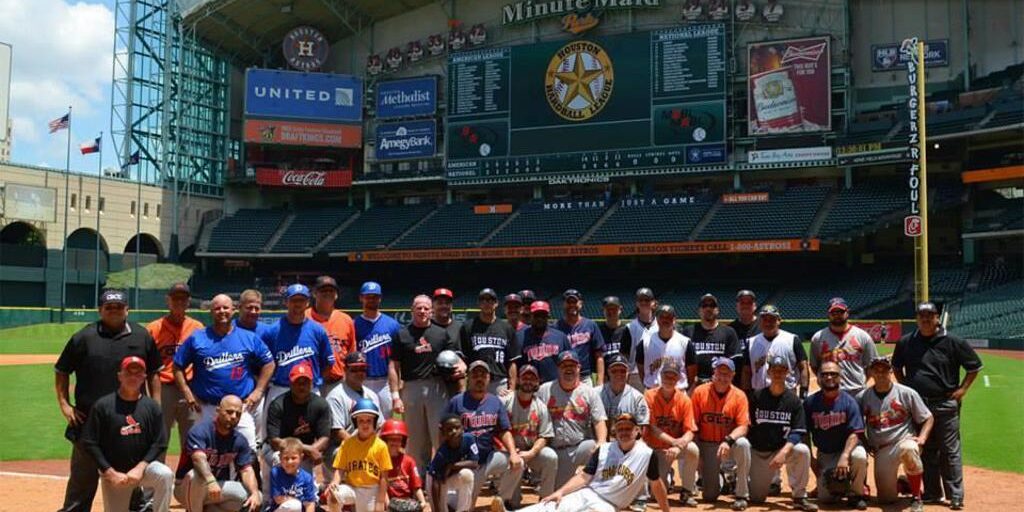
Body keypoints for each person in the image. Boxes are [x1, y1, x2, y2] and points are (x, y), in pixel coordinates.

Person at [54, 288, 162, 512]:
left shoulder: (141, 336)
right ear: (100, 310)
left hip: (130, 421)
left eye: (119, 307)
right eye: (109, 307)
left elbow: (153, 372)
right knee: (82, 483)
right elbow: (62, 370)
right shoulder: (84, 337)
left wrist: (155, 405)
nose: (114, 310)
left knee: (130, 480)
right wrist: (64, 404)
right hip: (88, 421)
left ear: (127, 310)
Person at [893, 302, 982, 510]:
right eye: (921, 315)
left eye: (930, 315)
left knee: (949, 450)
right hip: (919, 406)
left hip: (944, 403)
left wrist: (962, 390)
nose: (925, 319)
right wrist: (906, 388)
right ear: (916, 318)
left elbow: (974, 367)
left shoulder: (953, 341)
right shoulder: (906, 342)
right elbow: (897, 367)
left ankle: (956, 495)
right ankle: (932, 493)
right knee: (927, 450)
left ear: (937, 318)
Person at [491, 413, 673, 512]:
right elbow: (584, 477)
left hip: (610, 505)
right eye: (620, 429)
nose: (624, 432)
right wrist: (560, 492)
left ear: (637, 431)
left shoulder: (646, 454)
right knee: (551, 505)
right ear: (615, 432)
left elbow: (656, 485)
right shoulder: (604, 449)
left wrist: (666, 511)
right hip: (588, 492)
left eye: (628, 428)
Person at [173, 294, 275, 450]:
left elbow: (269, 363)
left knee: (249, 452)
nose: (222, 311)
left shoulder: (248, 337)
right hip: (207, 408)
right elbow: (177, 366)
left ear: (233, 310)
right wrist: (187, 392)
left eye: (225, 308)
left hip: (239, 409)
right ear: (211, 312)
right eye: (217, 308)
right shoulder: (197, 338)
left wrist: (259, 390)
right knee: (203, 452)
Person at [81, 356, 173, 512]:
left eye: (138, 374)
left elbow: (160, 442)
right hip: (115, 473)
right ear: (120, 376)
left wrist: (140, 467)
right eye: (129, 373)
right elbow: (90, 442)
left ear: (144, 378)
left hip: (144, 470)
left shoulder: (152, 407)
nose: (133, 377)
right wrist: (109, 472)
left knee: (165, 475)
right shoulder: (103, 406)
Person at [390, 295, 462, 471]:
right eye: (419, 308)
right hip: (411, 386)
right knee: (414, 440)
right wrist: (395, 396)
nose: (422, 311)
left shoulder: (440, 333)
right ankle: (417, 479)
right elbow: (393, 366)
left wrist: (462, 366)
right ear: (412, 310)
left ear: (431, 311)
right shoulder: (402, 334)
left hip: (436, 387)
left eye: (426, 308)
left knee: (440, 434)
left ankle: (442, 474)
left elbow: (455, 357)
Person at [858, 356, 934, 512]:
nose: (880, 374)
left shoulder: (906, 393)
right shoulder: (864, 397)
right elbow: (857, 425)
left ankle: (916, 498)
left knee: (909, 449)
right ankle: (903, 484)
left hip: (904, 441)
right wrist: (865, 443)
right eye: (876, 370)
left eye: (884, 370)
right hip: (882, 449)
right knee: (886, 500)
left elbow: (928, 418)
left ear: (891, 371)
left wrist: (922, 438)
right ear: (871, 372)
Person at [445, 360, 523, 504]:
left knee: (519, 463)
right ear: (468, 378)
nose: (479, 379)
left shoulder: (495, 402)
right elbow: (443, 431)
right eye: (475, 375)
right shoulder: (456, 402)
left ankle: (501, 500)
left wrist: (513, 452)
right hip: (465, 464)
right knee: (462, 507)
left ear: (488, 379)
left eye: (483, 375)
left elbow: (504, 430)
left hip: (488, 459)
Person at [746, 356, 816, 510]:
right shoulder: (757, 396)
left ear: (787, 373)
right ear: (768, 372)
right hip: (761, 451)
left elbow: (798, 432)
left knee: (802, 450)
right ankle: (745, 482)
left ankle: (799, 496)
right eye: (774, 370)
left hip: (783, 449)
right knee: (757, 498)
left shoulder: (793, 401)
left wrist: (783, 452)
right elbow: (748, 426)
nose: (777, 374)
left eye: (781, 370)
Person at [174, 395, 263, 512]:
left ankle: (209, 509)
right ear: (218, 411)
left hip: (216, 488)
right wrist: (210, 480)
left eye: (238, 414)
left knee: (256, 497)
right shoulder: (200, 431)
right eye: (229, 412)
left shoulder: (239, 440)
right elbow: (198, 459)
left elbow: (246, 470)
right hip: (186, 488)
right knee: (194, 476)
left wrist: (254, 493)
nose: (233, 416)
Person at [538, 350, 608, 489]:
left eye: (572, 365)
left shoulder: (589, 392)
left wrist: (601, 441)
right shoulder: (545, 390)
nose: (568, 369)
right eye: (564, 366)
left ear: (579, 368)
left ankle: (596, 489)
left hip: (578, 448)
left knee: (595, 447)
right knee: (554, 493)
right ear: (558, 368)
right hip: (553, 449)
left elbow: (599, 420)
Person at [147, 282, 203, 454]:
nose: (179, 302)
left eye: (183, 299)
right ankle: (157, 472)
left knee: (192, 440)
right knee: (159, 439)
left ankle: (188, 472)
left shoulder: (197, 328)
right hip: (164, 388)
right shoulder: (154, 328)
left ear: (188, 302)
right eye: (175, 298)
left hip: (190, 389)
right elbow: (147, 365)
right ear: (168, 301)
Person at [804, 361, 869, 509]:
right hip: (826, 453)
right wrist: (811, 459)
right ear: (819, 377)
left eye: (833, 374)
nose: (829, 377)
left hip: (849, 450)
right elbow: (804, 433)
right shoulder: (810, 403)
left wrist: (845, 456)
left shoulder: (850, 402)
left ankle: (856, 494)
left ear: (840, 377)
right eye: (825, 374)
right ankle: (839, 488)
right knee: (827, 499)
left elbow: (855, 433)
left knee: (860, 456)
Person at [691, 357, 751, 510]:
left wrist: (728, 440)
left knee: (743, 444)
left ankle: (741, 494)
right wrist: (698, 455)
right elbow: (693, 426)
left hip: (729, 445)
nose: (723, 378)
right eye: (720, 373)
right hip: (708, 445)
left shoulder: (739, 396)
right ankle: (724, 478)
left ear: (733, 376)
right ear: (714, 373)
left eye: (727, 374)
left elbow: (743, 427)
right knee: (710, 496)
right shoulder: (700, 392)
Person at [262, 284, 335, 408]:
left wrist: (315, 379)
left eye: (301, 300)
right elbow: (263, 363)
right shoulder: (272, 331)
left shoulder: (318, 330)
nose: (298, 304)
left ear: (307, 303)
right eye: (294, 300)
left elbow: (328, 363)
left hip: (310, 389)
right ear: (286, 302)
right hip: (280, 388)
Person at [500, 364, 558, 508]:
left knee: (551, 457)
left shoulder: (541, 406)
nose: (528, 381)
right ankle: (507, 501)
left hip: (531, 451)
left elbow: (545, 436)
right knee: (512, 504)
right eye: (525, 378)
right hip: (509, 452)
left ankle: (545, 500)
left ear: (537, 382)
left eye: (532, 379)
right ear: (518, 380)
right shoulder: (505, 401)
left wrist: (532, 452)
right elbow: (496, 431)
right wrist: (511, 452)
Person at [264, 363, 331, 487]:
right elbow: (275, 441)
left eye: (305, 382)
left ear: (311, 383)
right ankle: (277, 494)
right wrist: (306, 449)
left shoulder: (320, 404)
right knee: (282, 461)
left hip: (305, 454)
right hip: (279, 451)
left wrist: (312, 450)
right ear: (290, 384)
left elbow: (325, 437)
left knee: (305, 489)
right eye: (298, 382)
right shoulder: (278, 404)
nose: (302, 386)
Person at [643, 360, 699, 506]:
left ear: (678, 379)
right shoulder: (649, 396)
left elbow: (690, 431)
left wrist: (678, 446)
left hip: (674, 449)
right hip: (655, 450)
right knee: (656, 496)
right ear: (660, 376)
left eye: (673, 377)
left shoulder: (684, 400)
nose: (669, 380)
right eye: (666, 376)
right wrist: (674, 442)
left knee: (693, 449)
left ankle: (686, 491)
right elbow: (652, 428)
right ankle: (667, 476)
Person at [326, 351, 384, 479]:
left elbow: (380, 426)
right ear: (345, 370)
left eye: (362, 369)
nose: (359, 373)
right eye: (355, 369)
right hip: (342, 447)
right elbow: (337, 432)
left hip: (368, 444)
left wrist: (373, 446)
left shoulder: (372, 395)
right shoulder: (336, 396)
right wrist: (360, 448)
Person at [329, 398, 392, 512]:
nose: (365, 424)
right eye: (361, 421)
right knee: (334, 495)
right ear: (355, 423)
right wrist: (335, 482)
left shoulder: (381, 446)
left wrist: (380, 501)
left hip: (371, 489)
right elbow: (340, 469)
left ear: (374, 422)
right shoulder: (347, 444)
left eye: (369, 421)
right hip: (352, 488)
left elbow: (384, 477)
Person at [809, 298, 878, 396]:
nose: (837, 315)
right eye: (833, 313)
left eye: (840, 312)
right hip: (829, 391)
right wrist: (826, 382)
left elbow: (872, 365)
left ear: (847, 312)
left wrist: (860, 381)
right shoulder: (818, 338)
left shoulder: (862, 336)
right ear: (828, 315)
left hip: (857, 391)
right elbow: (815, 366)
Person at [461, 288, 521, 396]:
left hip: (499, 383)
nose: (486, 303)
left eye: (490, 300)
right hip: (476, 380)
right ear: (479, 303)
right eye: (483, 300)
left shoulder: (506, 328)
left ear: (496, 303)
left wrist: (512, 389)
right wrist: (465, 386)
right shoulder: (468, 327)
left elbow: (512, 362)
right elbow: (464, 360)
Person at [355, 281, 401, 419]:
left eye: (375, 296)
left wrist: (399, 380)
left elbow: (399, 356)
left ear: (380, 298)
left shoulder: (392, 325)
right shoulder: (354, 324)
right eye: (368, 296)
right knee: (364, 418)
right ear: (361, 298)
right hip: (363, 380)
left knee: (386, 421)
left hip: (385, 382)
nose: (371, 300)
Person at [741, 305, 809, 395]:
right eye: (765, 319)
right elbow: (746, 371)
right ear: (760, 322)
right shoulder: (751, 342)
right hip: (759, 395)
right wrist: (746, 394)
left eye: (772, 319)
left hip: (787, 394)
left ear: (778, 321)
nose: (768, 323)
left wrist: (804, 391)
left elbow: (803, 367)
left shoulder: (792, 340)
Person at [307, 275, 357, 397]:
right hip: (311, 383)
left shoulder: (346, 320)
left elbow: (351, 354)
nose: (328, 293)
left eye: (331, 290)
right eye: (323, 290)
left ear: (336, 295)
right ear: (314, 293)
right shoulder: (305, 317)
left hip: (338, 381)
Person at [685, 294, 741, 389]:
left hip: (720, 384)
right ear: (699, 311)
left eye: (712, 305)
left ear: (717, 310)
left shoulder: (728, 332)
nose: (708, 308)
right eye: (704, 306)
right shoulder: (688, 332)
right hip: (694, 384)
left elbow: (734, 363)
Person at [427, 414, 480, 512]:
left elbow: (474, 463)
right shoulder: (442, 453)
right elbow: (435, 482)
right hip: (437, 479)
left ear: (462, 428)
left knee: (467, 474)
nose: (454, 431)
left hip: (453, 475)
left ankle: (463, 510)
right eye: (449, 429)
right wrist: (437, 510)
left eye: (457, 427)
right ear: (443, 433)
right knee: (440, 508)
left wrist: (452, 466)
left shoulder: (469, 439)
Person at [554, 289, 606, 385]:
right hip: (563, 375)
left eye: (574, 302)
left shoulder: (590, 325)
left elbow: (599, 355)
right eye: (569, 302)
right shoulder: (556, 327)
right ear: (563, 304)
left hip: (584, 376)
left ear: (581, 304)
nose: (572, 305)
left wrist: (600, 381)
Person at [636, 304, 691, 391]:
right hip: (652, 392)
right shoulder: (645, 343)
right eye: (662, 317)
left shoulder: (685, 342)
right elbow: (641, 370)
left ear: (674, 320)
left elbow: (691, 371)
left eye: (668, 317)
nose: (665, 320)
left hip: (678, 392)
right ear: (657, 319)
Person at [381, 419, 430, 512]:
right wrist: (389, 506)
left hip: (407, 502)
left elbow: (416, 487)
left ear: (403, 442)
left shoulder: (409, 461)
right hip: (390, 502)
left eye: (398, 440)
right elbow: (383, 490)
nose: (395, 443)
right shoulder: (381, 461)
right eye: (391, 439)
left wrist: (423, 502)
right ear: (385, 440)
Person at [518, 301, 572, 383]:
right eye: (536, 315)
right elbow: (516, 365)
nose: (540, 318)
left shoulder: (560, 337)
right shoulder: (521, 337)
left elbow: (569, 362)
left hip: (556, 385)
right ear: (531, 316)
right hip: (530, 386)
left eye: (543, 315)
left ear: (548, 316)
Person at [598, 353, 649, 430]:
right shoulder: (596, 394)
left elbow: (642, 426)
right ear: (608, 372)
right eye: (614, 371)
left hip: (628, 436)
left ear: (628, 372)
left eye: (623, 371)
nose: (618, 374)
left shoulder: (637, 397)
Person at [269, 437, 318, 512]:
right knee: (295, 505)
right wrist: (298, 501)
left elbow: (310, 503)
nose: (289, 462)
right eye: (286, 458)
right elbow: (278, 499)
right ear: (280, 458)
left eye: (293, 458)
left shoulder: (307, 477)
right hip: (281, 509)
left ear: (301, 458)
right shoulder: (276, 473)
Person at [626, 287, 658, 390]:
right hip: (635, 375)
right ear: (637, 303)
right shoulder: (629, 327)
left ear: (653, 303)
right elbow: (625, 356)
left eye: (647, 300)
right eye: (641, 300)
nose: (644, 302)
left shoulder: (661, 325)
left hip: (657, 373)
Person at [729, 290, 760, 388]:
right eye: (742, 302)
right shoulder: (730, 329)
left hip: (759, 381)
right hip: (735, 381)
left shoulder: (763, 327)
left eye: (749, 303)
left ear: (755, 305)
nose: (745, 305)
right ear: (737, 306)